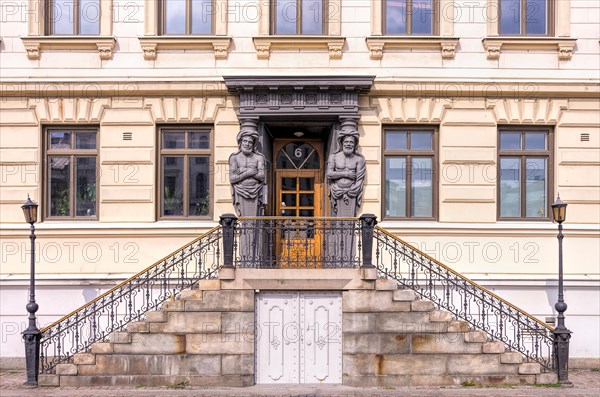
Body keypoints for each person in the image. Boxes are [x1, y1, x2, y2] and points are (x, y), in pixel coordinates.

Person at [326, 131, 366, 217]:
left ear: (355, 144)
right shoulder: (334, 157)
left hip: (352, 192)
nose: (348, 144)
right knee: (339, 221)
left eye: (351, 142)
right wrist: (346, 174)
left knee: (348, 221)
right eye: (346, 142)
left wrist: (352, 190)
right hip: (337, 191)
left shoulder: (359, 159)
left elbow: (359, 180)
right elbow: (329, 173)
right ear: (342, 143)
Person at [229, 129, 266, 217]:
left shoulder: (259, 158)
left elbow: (262, 176)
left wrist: (243, 171)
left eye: (250, 142)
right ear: (240, 142)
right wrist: (248, 172)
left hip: (255, 190)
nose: (247, 144)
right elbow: (232, 178)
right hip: (241, 190)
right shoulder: (234, 157)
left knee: (254, 220)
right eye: (245, 141)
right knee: (244, 221)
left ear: (253, 145)